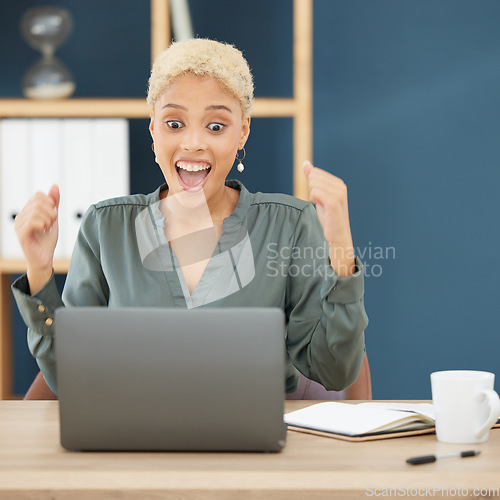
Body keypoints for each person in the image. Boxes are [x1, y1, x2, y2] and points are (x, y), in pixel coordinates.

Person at [12, 38, 368, 395]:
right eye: (174, 123)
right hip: (135, 444)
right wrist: (40, 270)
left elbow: (334, 372)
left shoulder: (290, 224)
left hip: (256, 446)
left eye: (215, 126)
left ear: (242, 131)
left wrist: (340, 251)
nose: (193, 142)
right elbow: (71, 378)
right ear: (153, 131)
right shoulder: (106, 227)